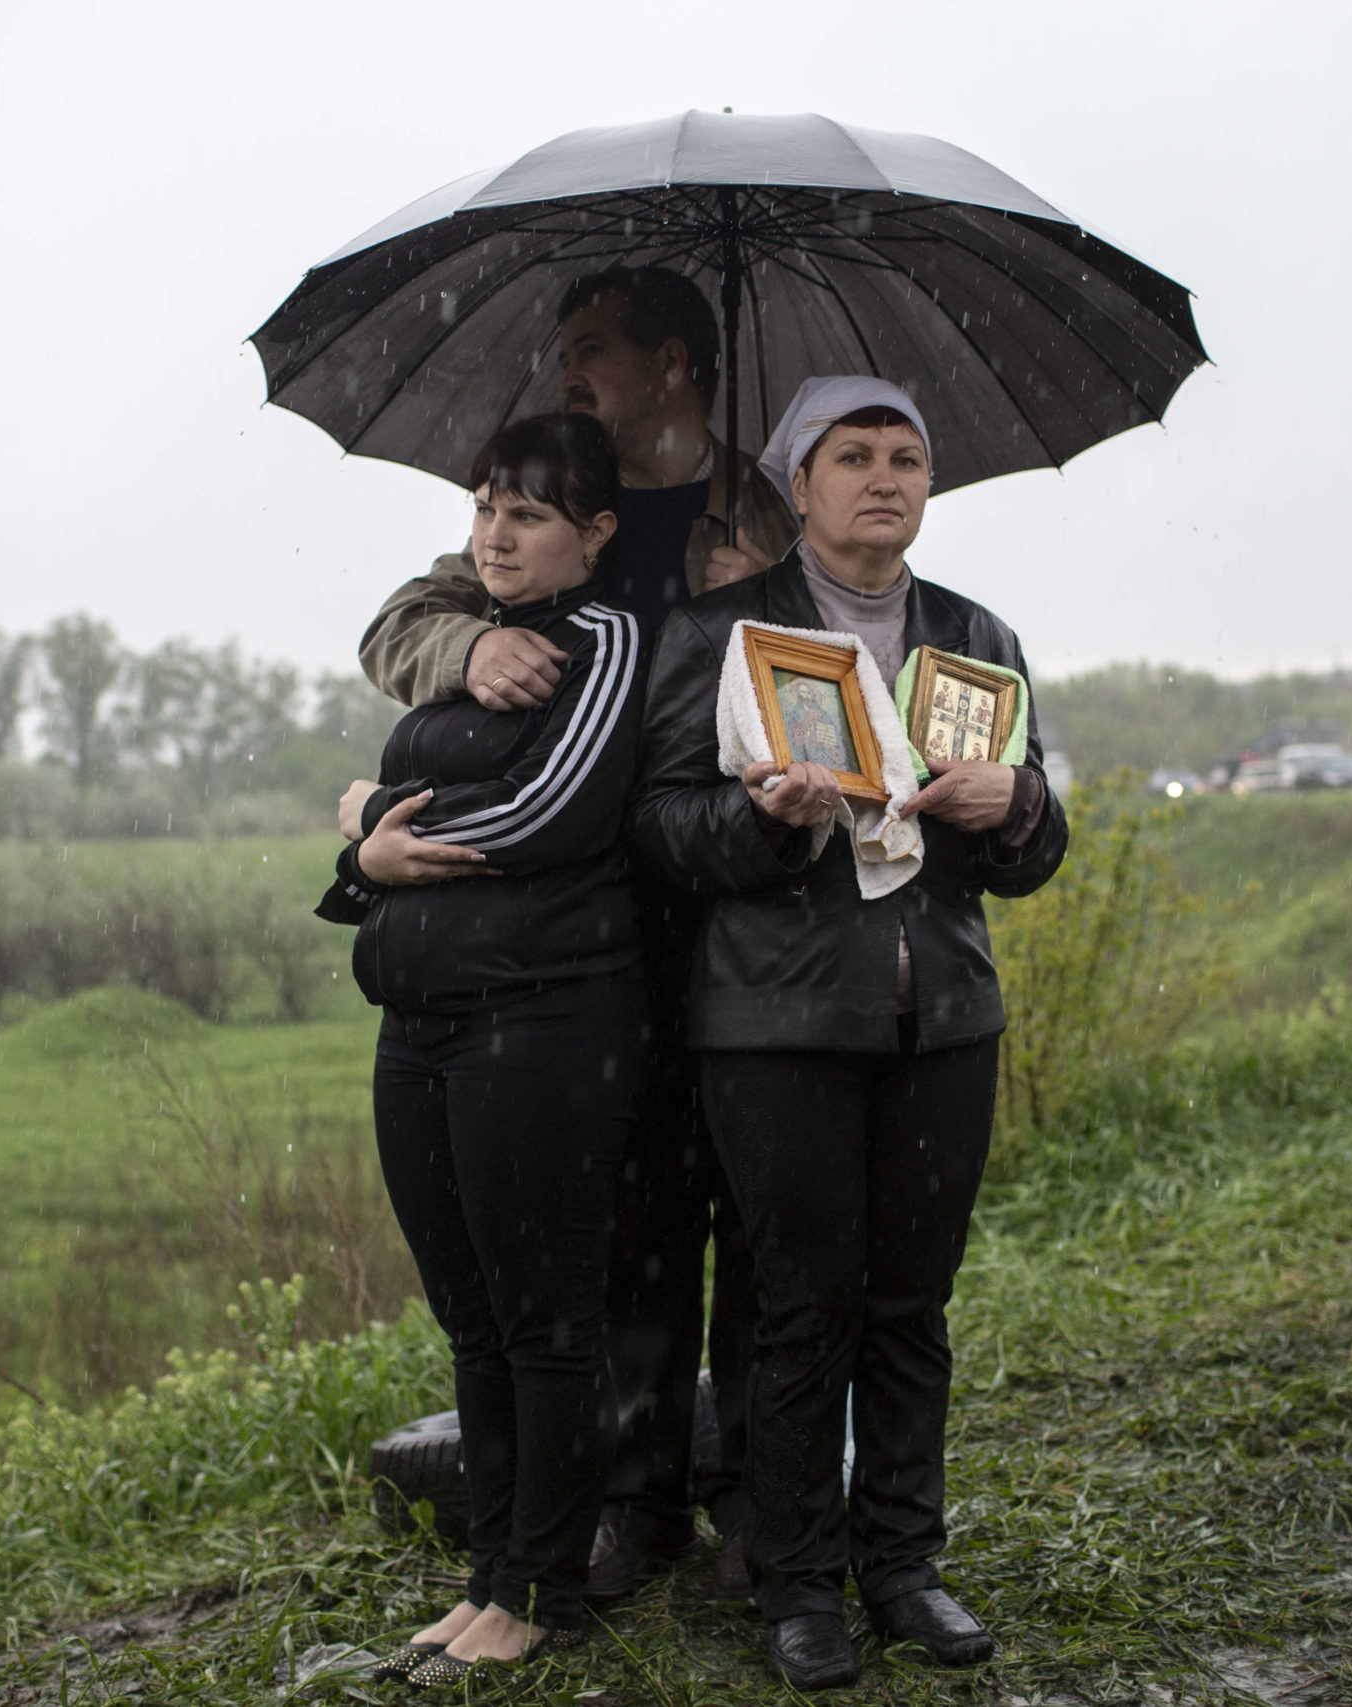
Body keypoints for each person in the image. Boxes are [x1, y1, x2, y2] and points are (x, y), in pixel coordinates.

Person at [355, 265, 803, 1600]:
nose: (569, 373)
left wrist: (764, 594)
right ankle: (632, 1496)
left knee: (759, 1220)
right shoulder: (554, 492)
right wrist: (468, 655)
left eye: (594, 349)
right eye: (565, 350)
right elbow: (401, 622)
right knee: (631, 1225)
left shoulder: (760, 511)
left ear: (677, 362)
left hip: (736, 901)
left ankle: (766, 1504)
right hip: (588, 933)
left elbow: (833, 668)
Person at [628, 376, 1070, 1689]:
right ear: (798, 485)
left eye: (907, 457)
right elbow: (658, 828)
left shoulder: (974, 632)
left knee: (910, 1308)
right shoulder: (720, 630)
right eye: (854, 456)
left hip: (943, 1018)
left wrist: (1020, 799)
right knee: (799, 1310)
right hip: (776, 1023)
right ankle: (798, 1582)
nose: (887, 477)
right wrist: (763, 822)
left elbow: (1026, 857)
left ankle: (904, 1566)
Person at [319, 412, 646, 1683]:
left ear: (594, 534)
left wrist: (377, 826)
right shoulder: (462, 646)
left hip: (542, 1024)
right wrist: (364, 841)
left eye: (528, 515)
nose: (496, 536)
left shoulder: (605, 641)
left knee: (546, 1322)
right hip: (419, 1022)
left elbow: (555, 809)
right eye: (485, 509)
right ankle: (487, 1576)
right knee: (470, 1322)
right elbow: (392, 813)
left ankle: (542, 1587)